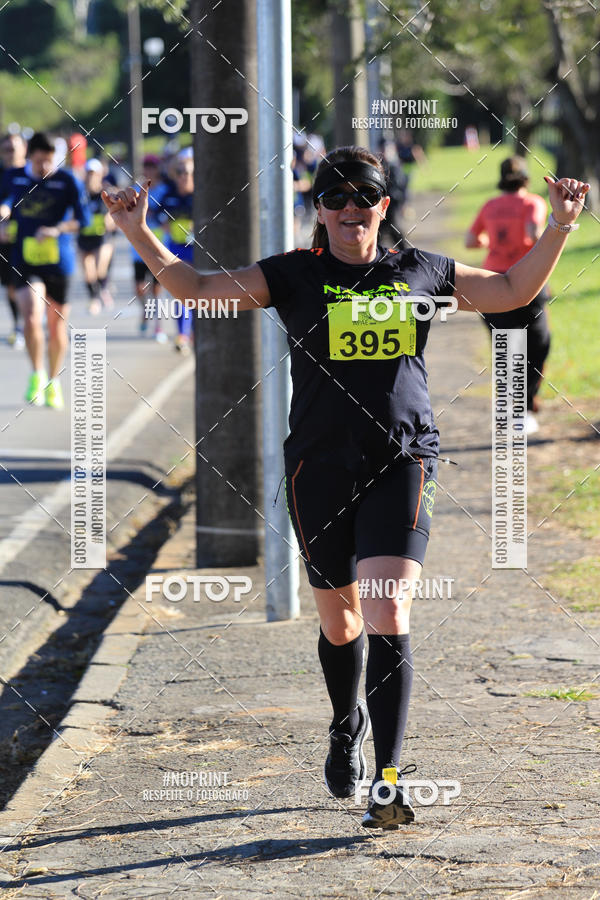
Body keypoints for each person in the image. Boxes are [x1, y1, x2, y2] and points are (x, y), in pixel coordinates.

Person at [102, 146, 588, 829]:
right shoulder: (293, 275)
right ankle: (344, 722)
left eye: (364, 195)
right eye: (336, 197)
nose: (351, 208)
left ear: (383, 205)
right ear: (320, 209)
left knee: (388, 609)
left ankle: (388, 781)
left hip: (402, 460)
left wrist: (561, 225)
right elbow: (196, 289)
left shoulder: (421, 271)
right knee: (342, 623)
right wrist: (136, 230)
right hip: (319, 468)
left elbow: (511, 291)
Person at [0, 131, 90, 409]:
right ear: (30, 156)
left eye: (51, 161)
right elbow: (5, 202)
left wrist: (58, 229)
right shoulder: (14, 177)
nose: (45, 167)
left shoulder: (67, 180)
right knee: (31, 315)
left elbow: (83, 220)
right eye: (40, 162)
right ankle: (37, 374)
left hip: (59, 262)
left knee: (56, 325)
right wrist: (3, 218)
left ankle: (54, 381)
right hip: (25, 261)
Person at [466, 156, 550, 434]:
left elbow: (471, 240)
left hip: (491, 284)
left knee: (506, 348)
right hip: (526, 282)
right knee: (537, 344)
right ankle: (525, 408)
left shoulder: (490, 205)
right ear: (526, 177)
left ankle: (513, 409)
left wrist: (492, 241)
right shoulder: (533, 203)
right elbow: (533, 233)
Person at [158, 153, 194, 353]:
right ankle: (183, 334)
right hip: (177, 250)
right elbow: (158, 214)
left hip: (199, 252)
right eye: (179, 172)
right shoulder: (169, 195)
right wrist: (166, 225)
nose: (183, 176)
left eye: (187, 172)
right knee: (181, 292)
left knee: (198, 292)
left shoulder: (200, 197)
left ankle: (194, 332)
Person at [132, 154, 168, 342]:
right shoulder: (136, 190)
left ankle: (158, 327)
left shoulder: (165, 190)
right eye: (146, 167)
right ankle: (146, 311)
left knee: (157, 290)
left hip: (159, 247)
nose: (149, 170)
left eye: (152, 167)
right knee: (139, 289)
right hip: (139, 248)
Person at [78, 159, 116, 314]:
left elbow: (115, 212)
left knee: (100, 268)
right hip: (84, 237)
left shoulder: (106, 193)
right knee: (88, 273)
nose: (91, 177)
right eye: (89, 173)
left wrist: (110, 219)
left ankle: (104, 289)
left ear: (100, 175)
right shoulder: (80, 194)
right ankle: (94, 299)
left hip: (102, 237)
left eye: (94, 174)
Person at [0, 132, 27, 348]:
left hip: (32, 238)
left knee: (32, 283)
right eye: (6, 149)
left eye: (14, 149)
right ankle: (19, 325)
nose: (10, 153)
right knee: (11, 285)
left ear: (24, 149)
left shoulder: (33, 172)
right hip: (6, 240)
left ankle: (31, 319)